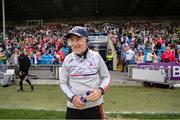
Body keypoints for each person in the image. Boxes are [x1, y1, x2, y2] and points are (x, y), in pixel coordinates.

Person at [59, 26, 111, 119]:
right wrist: (73, 98)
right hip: (73, 107)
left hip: (94, 106)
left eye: (78, 39)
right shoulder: (67, 59)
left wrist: (100, 90)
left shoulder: (96, 56)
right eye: (72, 40)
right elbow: (63, 82)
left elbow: (106, 77)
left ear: (86, 40)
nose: (75, 43)